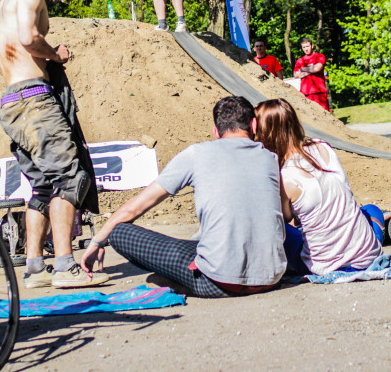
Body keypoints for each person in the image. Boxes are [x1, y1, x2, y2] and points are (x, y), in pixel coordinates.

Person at [80, 96, 286, 297]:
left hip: (217, 283)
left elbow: (134, 208)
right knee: (201, 242)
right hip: (271, 278)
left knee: (119, 232)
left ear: (216, 131)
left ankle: (179, 282)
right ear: (254, 125)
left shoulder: (197, 154)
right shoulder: (270, 158)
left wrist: (97, 241)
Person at [0, 0, 105, 289]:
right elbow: (28, 38)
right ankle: (66, 266)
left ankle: (36, 267)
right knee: (69, 177)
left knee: (42, 185)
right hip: (35, 100)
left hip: (12, 101)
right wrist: (56, 54)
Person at [254, 99, 381, 275]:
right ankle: (372, 235)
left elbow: (286, 220)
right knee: (371, 210)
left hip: (325, 265)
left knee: (278, 228)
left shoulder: (286, 178)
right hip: (368, 256)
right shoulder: (322, 146)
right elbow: (345, 190)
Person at [293, 37, 328, 110]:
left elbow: (318, 68)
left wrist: (303, 69)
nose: (306, 49)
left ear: (312, 46)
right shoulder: (300, 60)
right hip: (306, 94)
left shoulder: (319, 56)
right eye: (304, 47)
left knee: (324, 116)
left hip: (319, 92)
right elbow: (296, 75)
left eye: (307, 46)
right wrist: (312, 70)